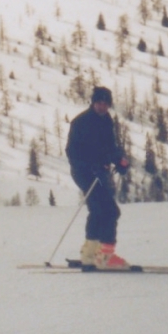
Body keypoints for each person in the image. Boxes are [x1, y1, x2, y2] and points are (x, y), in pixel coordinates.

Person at [65, 86, 132, 269]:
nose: (102, 107)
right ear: (93, 102)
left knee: (98, 209)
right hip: (83, 172)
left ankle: (90, 254)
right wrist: (91, 166)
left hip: (99, 171)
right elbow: (72, 152)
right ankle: (105, 256)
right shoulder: (81, 122)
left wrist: (119, 160)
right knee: (110, 211)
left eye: (105, 103)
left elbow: (109, 147)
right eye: (99, 103)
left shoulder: (106, 121)